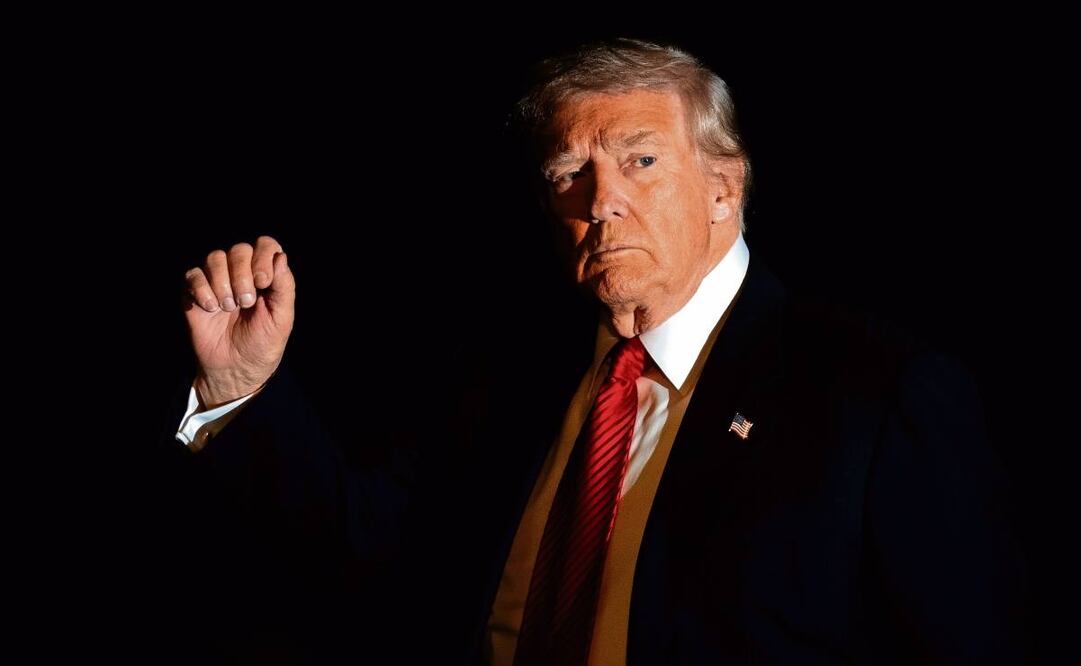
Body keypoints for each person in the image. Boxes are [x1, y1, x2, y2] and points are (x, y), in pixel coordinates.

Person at [169, 38, 1028, 664]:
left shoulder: (876, 394)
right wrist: (242, 389)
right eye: (566, 175)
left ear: (724, 186)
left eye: (641, 159)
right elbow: (369, 553)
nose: (600, 201)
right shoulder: (509, 373)